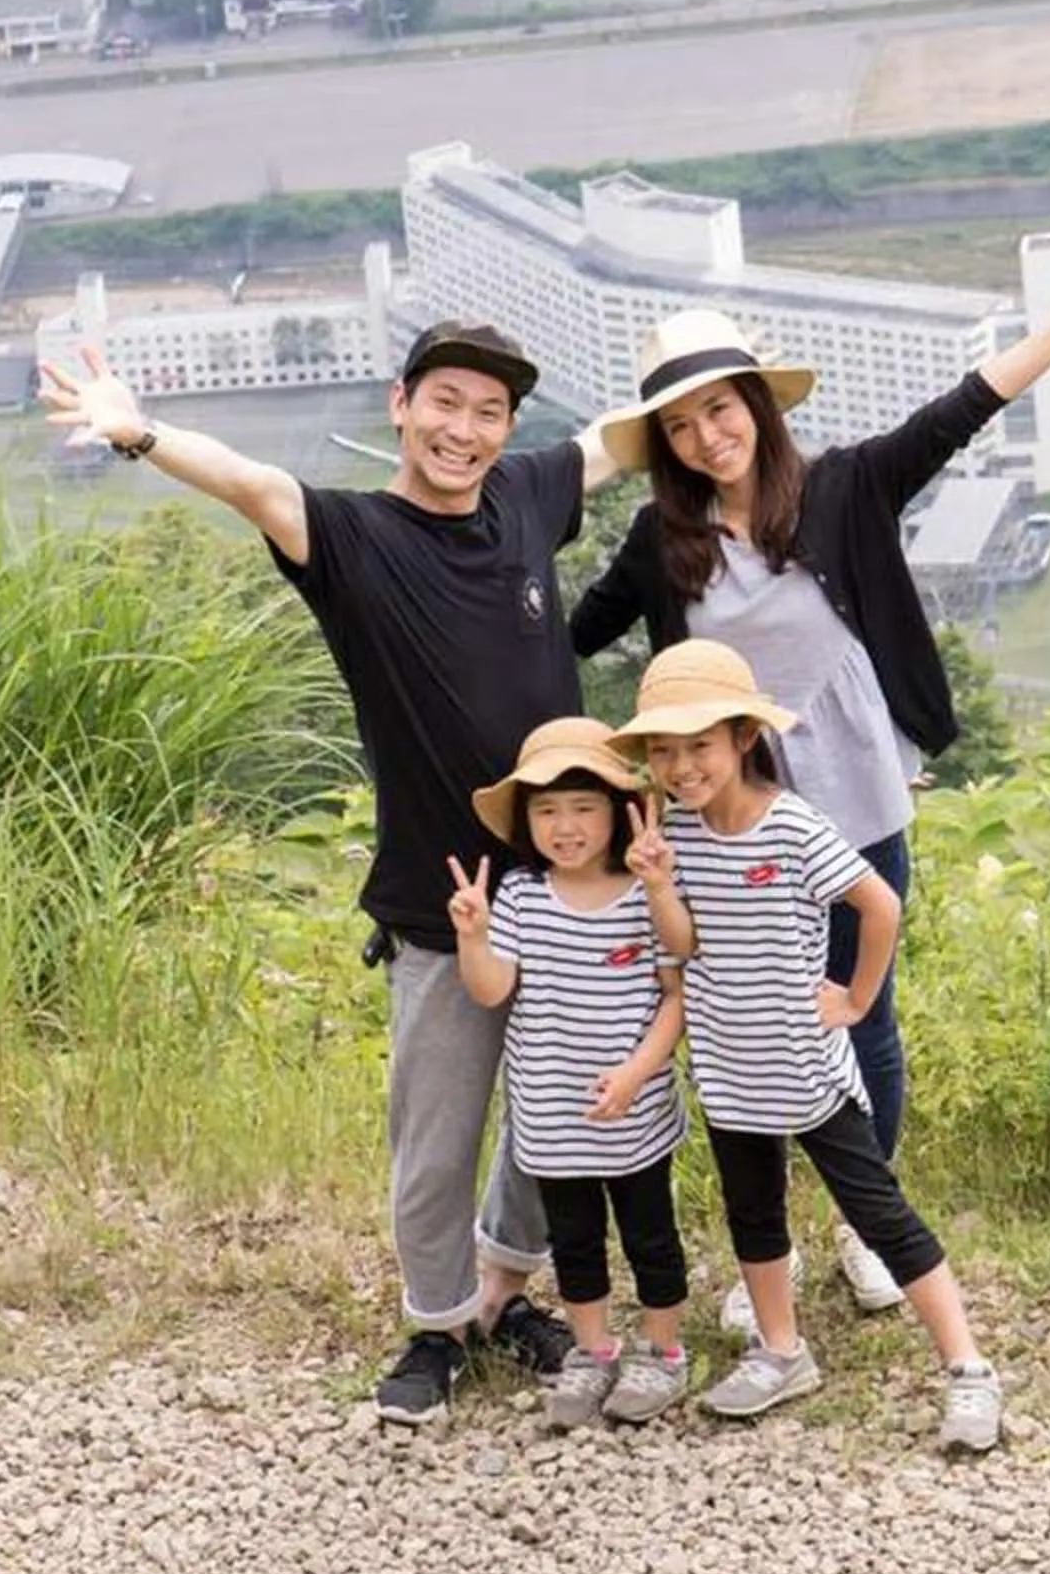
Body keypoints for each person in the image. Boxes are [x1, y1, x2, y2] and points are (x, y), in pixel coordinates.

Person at [39, 321, 625, 1423]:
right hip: (440, 901)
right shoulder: (354, 537)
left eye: (488, 412)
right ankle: (440, 1324)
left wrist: (712, 383)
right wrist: (137, 432)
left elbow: (611, 445)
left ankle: (504, 1297)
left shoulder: (531, 498)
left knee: (560, 1119)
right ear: (402, 404)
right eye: (445, 403)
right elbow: (252, 483)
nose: (465, 429)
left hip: (570, 894)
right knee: (437, 1139)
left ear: (507, 428)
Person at [571, 235, 1050, 1325]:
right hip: (737, 810)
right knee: (746, 1018)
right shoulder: (661, 537)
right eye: (681, 426)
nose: (708, 438)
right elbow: (571, 624)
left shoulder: (843, 484)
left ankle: (867, 1223)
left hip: (857, 782)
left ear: (759, 403)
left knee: (857, 1009)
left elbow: (961, 408)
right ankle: (768, 1261)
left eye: (722, 410)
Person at [611, 640, 1001, 1452]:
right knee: (754, 1214)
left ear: (743, 738)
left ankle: (968, 1369)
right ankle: (782, 1351)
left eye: (700, 747)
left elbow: (879, 902)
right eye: (665, 751)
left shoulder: (789, 824)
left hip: (806, 1065)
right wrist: (654, 884)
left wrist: (856, 999)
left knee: (879, 1212)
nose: (682, 768)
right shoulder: (674, 831)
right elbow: (685, 947)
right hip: (728, 1064)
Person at [448, 718, 690, 1428]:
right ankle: (593, 1353)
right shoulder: (522, 897)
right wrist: (474, 936)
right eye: (546, 810)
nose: (566, 826)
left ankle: (664, 1352)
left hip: (635, 1114)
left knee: (651, 1237)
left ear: (619, 813)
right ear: (526, 823)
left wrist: (636, 1074)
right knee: (575, 1243)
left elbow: (679, 991)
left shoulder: (643, 895)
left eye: (584, 807)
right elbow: (492, 989)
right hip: (552, 1118)